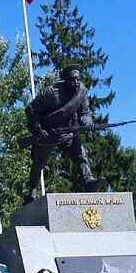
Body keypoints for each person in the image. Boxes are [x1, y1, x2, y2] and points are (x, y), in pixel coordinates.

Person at [22, 65, 105, 202]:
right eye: (73, 80)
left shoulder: (82, 92)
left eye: (78, 79)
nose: (76, 83)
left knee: (81, 155)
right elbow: (30, 110)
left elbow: (84, 113)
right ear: (65, 80)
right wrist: (39, 129)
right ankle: (32, 191)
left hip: (68, 132)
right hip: (48, 133)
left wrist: (88, 123)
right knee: (39, 164)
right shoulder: (51, 92)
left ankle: (89, 181)